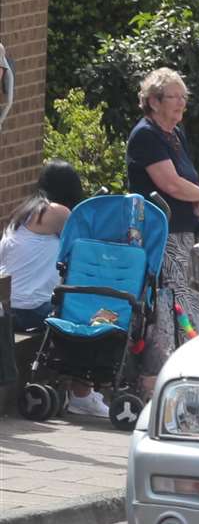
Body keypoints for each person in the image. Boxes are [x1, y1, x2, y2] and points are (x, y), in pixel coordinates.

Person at [127, 68, 199, 392]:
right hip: (160, 238)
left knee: (184, 307)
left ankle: (184, 381)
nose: (181, 103)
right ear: (153, 101)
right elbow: (170, 184)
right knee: (168, 310)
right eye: (174, 97)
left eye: (183, 97)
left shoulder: (176, 135)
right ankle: (158, 384)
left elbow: (184, 185)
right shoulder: (146, 135)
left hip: (182, 235)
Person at [0, 161, 106, 416]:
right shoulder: (57, 212)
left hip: (9, 307)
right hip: (30, 308)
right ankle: (82, 393)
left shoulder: (24, 212)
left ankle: (76, 388)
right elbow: (90, 241)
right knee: (92, 316)